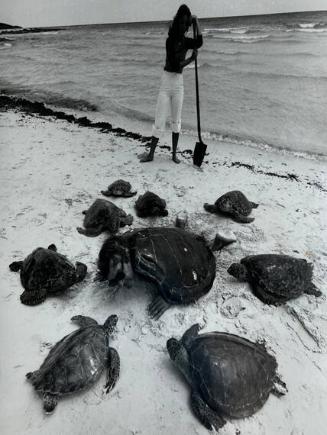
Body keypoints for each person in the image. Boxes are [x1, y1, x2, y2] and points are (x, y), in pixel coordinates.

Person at [140, 4, 203, 164]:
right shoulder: (170, 41)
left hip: (178, 85)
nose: (183, 26)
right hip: (166, 82)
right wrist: (191, 59)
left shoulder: (186, 40)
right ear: (177, 23)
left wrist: (196, 23)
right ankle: (151, 154)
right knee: (160, 120)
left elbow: (199, 42)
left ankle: (174, 154)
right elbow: (175, 64)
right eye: (181, 23)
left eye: (186, 23)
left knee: (176, 121)